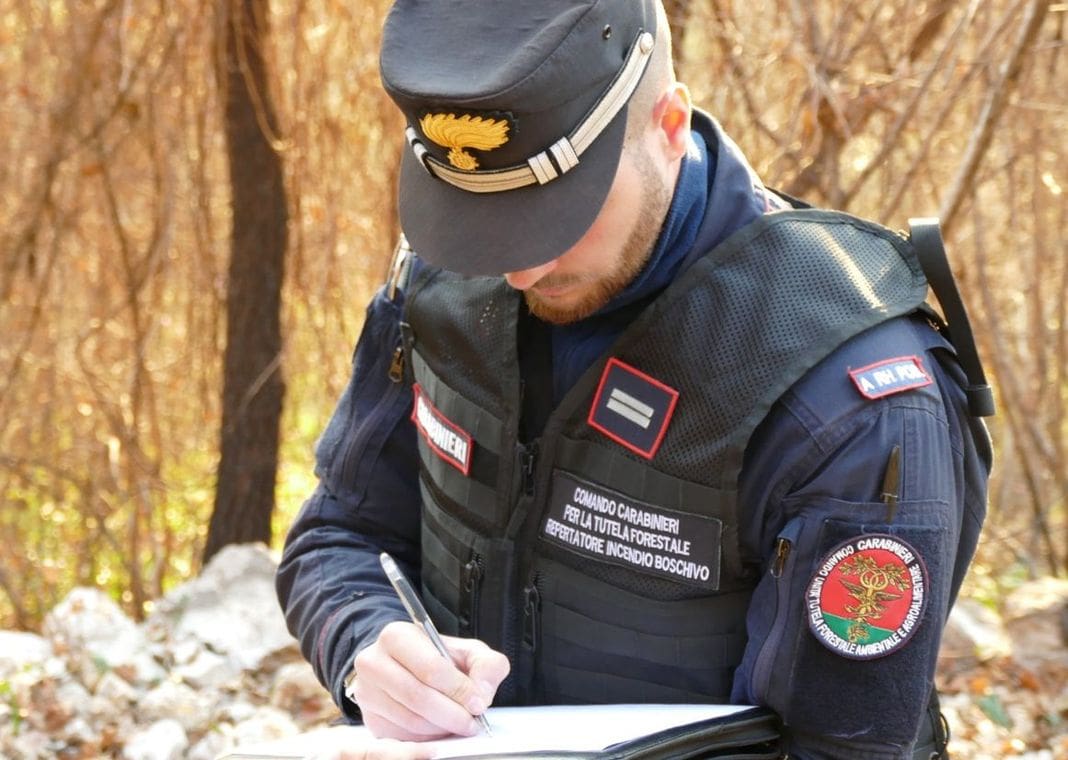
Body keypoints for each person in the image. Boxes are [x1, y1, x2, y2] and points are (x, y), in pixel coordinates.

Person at [277, 1, 993, 758]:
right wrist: (366, 643)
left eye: (558, 211)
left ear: (670, 124)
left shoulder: (848, 398)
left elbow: (846, 746)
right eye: (484, 218)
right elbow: (338, 533)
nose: (522, 266)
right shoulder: (444, 283)